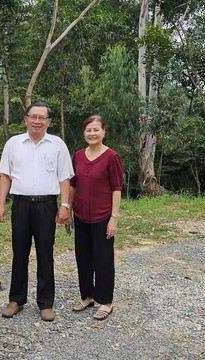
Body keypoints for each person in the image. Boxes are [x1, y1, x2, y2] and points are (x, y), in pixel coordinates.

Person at [0, 101, 74, 322]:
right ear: (26, 119)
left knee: (45, 253)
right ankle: (16, 300)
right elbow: (5, 176)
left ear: (49, 121)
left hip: (46, 205)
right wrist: (1, 204)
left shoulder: (57, 145)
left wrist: (65, 206)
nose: (37, 121)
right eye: (33, 117)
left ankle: (46, 303)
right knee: (19, 252)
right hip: (20, 204)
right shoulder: (13, 144)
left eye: (42, 117)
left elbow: (64, 178)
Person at [68, 115, 123, 320]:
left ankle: (106, 301)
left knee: (103, 259)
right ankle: (87, 296)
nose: (92, 133)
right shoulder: (78, 156)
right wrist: (68, 211)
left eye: (96, 130)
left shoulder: (111, 157)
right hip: (81, 216)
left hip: (102, 217)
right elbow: (73, 185)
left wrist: (114, 218)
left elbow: (116, 189)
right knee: (83, 257)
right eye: (88, 130)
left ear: (103, 132)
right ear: (84, 133)